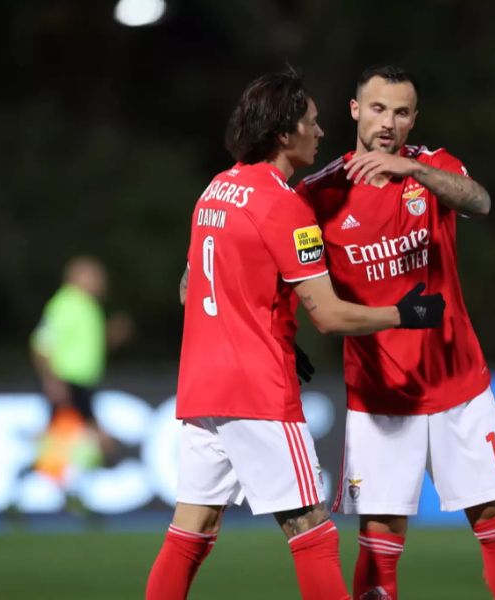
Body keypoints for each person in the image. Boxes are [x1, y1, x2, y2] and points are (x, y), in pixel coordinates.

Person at [145, 68, 445, 600]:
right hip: (256, 390)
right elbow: (329, 315)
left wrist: (263, 324)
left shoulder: (215, 189)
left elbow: (191, 287)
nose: (320, 131)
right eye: (310, 121)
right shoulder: (285, 205)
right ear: (284, 133)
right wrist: (406, 314)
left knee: (191, 531)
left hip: (200, 387)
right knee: (314, 533)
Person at [296, 65, 495, 599]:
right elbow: (276, 262)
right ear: (356, 111)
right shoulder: (320, 193)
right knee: (380, 538)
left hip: (459, 387)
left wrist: (413, 171)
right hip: (381, 395)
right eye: (378, 109)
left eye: (401, 112)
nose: (389, 122)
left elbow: (480, 201)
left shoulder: (432, 168)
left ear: (413, 120)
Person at [31, 256, 132, 472]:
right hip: (67, 381)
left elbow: (89, 345)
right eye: (94, 276)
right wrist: (52, 379)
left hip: (83, 382)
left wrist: (111, 336)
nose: (100, 281)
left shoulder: (89, 307)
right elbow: (41, 344)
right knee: (82, 436)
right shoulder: (64, 304)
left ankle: (47, 479)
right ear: (75, 277)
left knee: (65, 437)